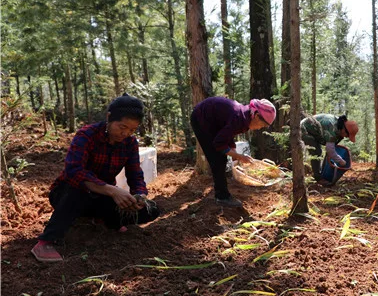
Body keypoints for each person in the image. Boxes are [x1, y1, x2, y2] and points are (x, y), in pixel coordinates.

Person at [31, 94, 161, 263]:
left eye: (132, 130)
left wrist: (140, 196)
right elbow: (74, 171)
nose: (125, 133)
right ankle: (46, 241)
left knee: (151, 210)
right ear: (109, 118)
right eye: (122, 127)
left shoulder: (130, 143)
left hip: (102, 197)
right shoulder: (87, 135)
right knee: (80, 190)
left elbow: (135, 175)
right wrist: (111, 190)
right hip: (67, 194)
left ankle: (105, 220)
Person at [190, 97, 276, 208]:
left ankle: (221, 192)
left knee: (221, 156)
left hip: (212, 120)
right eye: (262, 125)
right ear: (257, 115)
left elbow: (228, 133)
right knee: (217, 158)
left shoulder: (244, 117)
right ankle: (222, 197)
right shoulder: (239, 117)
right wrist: (238, 156)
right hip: (201, 118)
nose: (260, 128)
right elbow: (218, 144)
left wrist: (234, 152)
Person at [300, 114, 359, 183]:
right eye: (347, 135)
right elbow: (330, 150)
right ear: (344, 129)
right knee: (317, 151)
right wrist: (341, 161)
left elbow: (331, 149)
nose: (346, 137)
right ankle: (318, 177)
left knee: (321, 152)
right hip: (304, 129)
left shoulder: (340, 125)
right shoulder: (332, 128)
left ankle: (321, 173)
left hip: (314, 131)